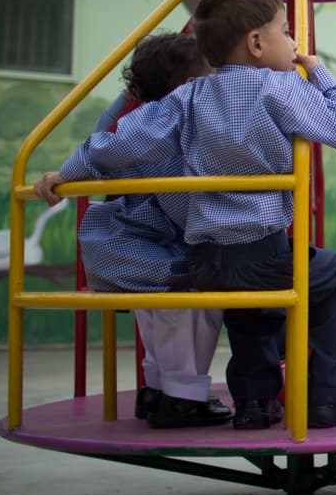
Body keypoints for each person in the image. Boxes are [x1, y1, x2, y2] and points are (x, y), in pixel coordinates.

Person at [36, 0, 336, 430]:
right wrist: (319, 73)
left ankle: (254, 405)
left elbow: (119, 143)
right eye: (286, 32)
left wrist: (66, 173)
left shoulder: (187, 97)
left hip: (206, 259)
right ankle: (329, 397)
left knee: (249, 305)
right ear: (256, 43)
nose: (293, 43)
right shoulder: (280, 88)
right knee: (331, 273)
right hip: (262, 250)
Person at [76, 32, 230, 429]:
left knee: (156, 307)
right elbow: (182, 208)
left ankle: (158, 388)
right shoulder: (166, 130)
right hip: (152, 243)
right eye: (211, 74)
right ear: (188, 87)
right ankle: (183, 397)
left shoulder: (139, 119)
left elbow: (101, 133)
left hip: (128, 241)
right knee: (199, 298)